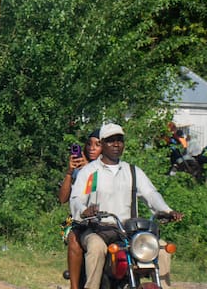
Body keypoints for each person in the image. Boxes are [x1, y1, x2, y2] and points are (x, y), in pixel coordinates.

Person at [70, 123, 183, 289]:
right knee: (96, 248)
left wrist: (166, 210)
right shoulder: (91, 173)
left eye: (120, 140)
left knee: (163, 249)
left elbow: (151, 194)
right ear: (101, 143)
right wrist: (84, 210)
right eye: (110, 141)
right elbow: (77, 198)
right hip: (99, 229)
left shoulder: (132, 171)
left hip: (128, 232)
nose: (116, 144)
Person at [57, 130, 102, 289]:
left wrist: (89, 168)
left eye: (97, 145)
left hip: (105, 219)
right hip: (80, 220)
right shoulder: (79, 168)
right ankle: (74, 286)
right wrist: (70, 172)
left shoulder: (109, 166)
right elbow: (62, 199)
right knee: (74, 239)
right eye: (89, 144)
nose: (92, 148)